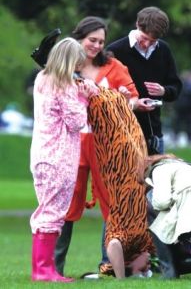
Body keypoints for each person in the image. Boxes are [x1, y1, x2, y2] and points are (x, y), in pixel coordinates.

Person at [54, 16, 141, 277]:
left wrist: (127, 100)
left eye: (101, 42)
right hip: (72, 142)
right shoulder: (65, 66)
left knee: (110, 202)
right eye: (92, 40)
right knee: (67, 202)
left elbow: (133, 98)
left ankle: (108, 266)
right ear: (79, 38)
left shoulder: (113, 66)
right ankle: (53, 267)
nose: (96, 46)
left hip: (106, 144)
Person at [30, 37, 98, 282]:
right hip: (60, 155)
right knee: (54, 211)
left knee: (46, 209)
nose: (78, 69)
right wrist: (85, 98)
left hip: (41, 153)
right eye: (77, 65)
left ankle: (43, 268)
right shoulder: (66, 85)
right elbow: (77, 121)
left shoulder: (42, 79)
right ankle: (43, 270)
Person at [88, 86, 154, 278]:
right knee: (134, 221)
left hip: (121, 155)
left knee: (121, 227)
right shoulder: (105, 96)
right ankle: (129, 273)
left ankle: (122, 276)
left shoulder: (101, 95)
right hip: (128, 154)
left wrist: (127, 100)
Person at [107, 6, 182, 155]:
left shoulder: (164, 50)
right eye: (144, 38)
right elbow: (105, 94)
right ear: (137, 25)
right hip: (122, 133)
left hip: (154, 134)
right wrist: (133, 104)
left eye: (153, 41)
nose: (147, 44)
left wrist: (164, 91)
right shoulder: (114, 51)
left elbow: (176, 87)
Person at [144, 153, 191, 277]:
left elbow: (162, 201)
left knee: (149, 206)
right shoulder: (189, 167)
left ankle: (169, 270)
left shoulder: (160, 169)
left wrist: (151, 197)